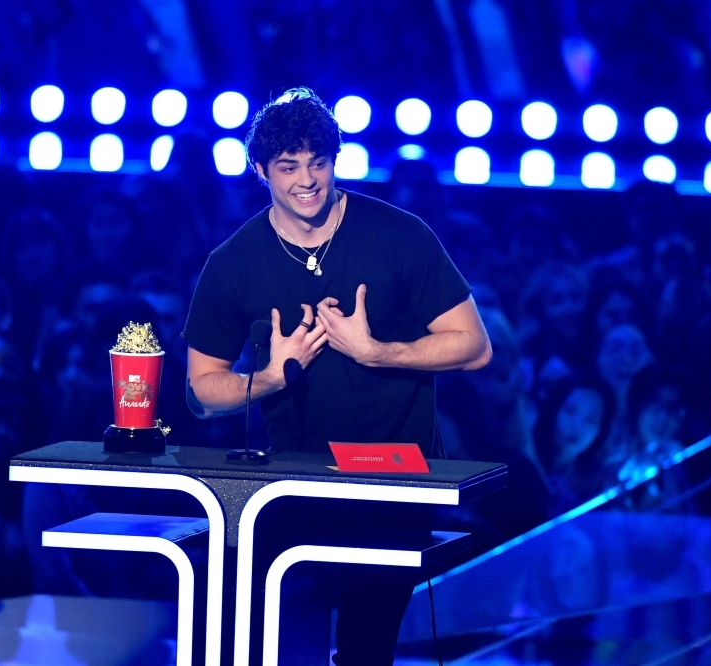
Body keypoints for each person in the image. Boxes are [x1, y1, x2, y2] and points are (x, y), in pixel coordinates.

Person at [182, 88, 492, 665]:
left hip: (394, 472)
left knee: (364, 648)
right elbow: (201, 390)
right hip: (294, 478)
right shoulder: (234, 262)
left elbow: (474, 346)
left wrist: (377, 352)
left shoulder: (399, 235)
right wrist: (268, 379)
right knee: (271, 636)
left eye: (318, 162)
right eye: (289, 166)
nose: (308, 180)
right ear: (260, 171)